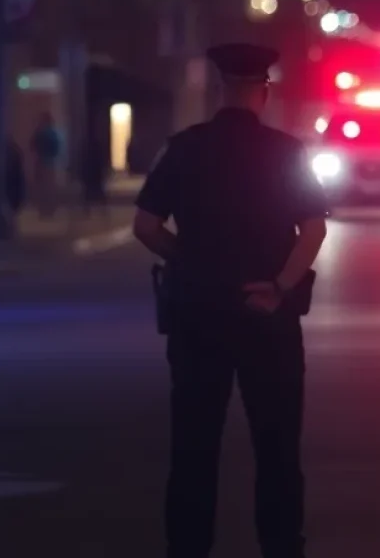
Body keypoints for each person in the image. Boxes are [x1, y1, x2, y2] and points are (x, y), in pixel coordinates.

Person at [133, 42, 329, 558]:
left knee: (194, 449)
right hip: (269, 318)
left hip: (197, 314)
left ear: (220, 90)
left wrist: (188, 262)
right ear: (262, 91)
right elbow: (313, 227)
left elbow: (146, 226)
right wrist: (281, 286)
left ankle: (189, 548)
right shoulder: (287, 152)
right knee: (278, 449)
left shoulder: (184, 148)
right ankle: (282, 547)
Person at [30, 112, 63, 218]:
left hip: (41, 162)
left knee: (43, 187)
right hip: (50, 162)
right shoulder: (53, 133)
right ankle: (50, 209)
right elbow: (57, 148)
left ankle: (43, 210)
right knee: (50, 187)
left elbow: (33, 145)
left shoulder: (40, 132)